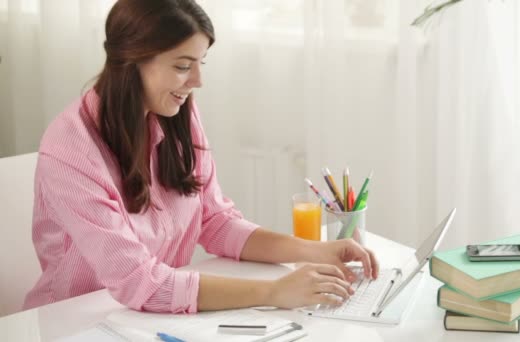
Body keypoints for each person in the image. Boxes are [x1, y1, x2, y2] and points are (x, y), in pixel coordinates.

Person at [24, 0, 378, 314]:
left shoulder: (178, 114)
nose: (197, 80)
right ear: (132, 60)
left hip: (145, 316)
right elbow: (139, 282)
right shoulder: (71, 150)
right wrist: (273, 291)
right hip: (75, 323)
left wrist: (316, 251)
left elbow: (216, 221)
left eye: (200, 63)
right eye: (182, 66)